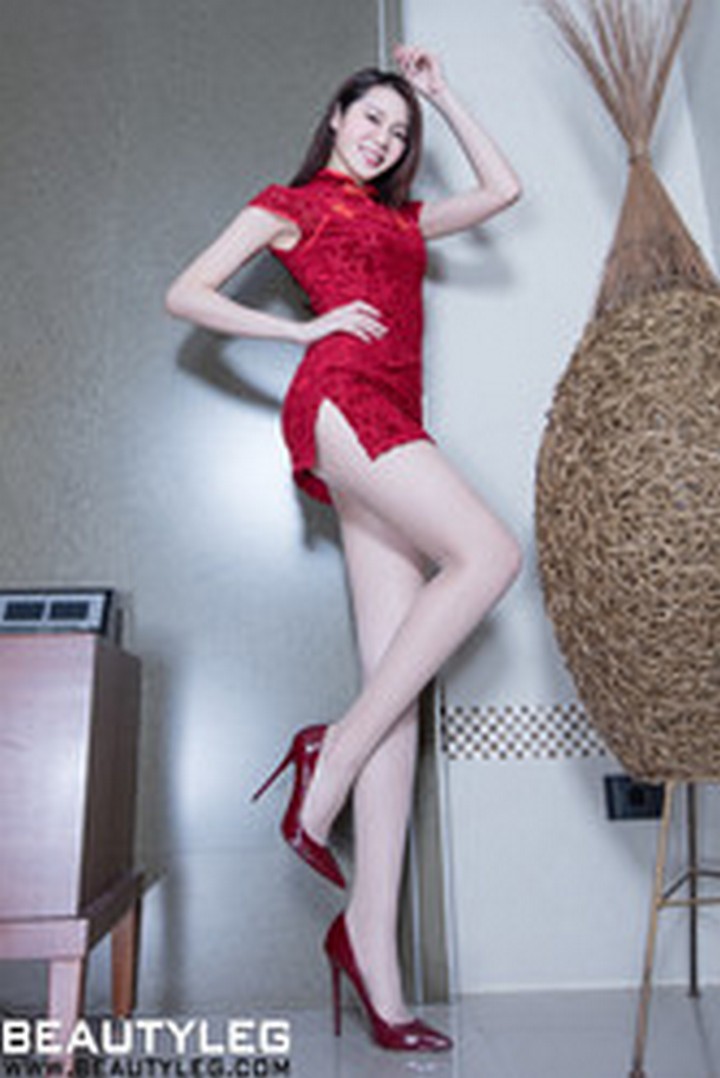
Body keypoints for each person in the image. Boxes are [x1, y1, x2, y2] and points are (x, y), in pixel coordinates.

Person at [166, 43, 522, 1052]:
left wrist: (444, 95)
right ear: (335, 117)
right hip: (341, 399)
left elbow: (503, 189)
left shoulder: (405, 220)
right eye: (371, 119)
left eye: (399, 133)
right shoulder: (292, 205)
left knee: (395, 687)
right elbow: (186, 293)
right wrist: (300, 333)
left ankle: (373, 951)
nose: (383, 139)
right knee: (491, 555)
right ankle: (327, 758)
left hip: (395, 418)